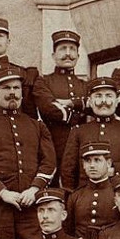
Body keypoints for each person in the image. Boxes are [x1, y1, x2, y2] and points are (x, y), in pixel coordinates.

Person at [0, 69, 58, 239]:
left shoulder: (37, 126)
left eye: (16, 88)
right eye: (6, 88)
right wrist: (3, 193)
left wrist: (34, 189)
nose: (12, 93)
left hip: (31, 205)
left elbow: (50, 163)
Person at [60, 78, 120, 190]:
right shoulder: (79, 131)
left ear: (117, 101)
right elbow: (68, 169)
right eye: (98, 96)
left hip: (118, 191)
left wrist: (115, 169)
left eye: (109, 96)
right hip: (85, 194)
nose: (104, 101)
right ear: (90, 101)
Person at [33, 29, 91, 165]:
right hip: (52, 146)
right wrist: (80, 112)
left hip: (81, 147)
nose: (68, 54)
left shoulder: (85, 85)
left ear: (78, 55)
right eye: (62, 49)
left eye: (72, 49)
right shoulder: (43, 81)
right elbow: (49, 107)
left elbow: (95, 104)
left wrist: (70, 102)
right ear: (53, 55)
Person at [65, 140, 120, 239]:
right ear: (83, 165)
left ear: (108, 163)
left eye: (97, 160)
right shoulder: (75, 196)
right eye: (88, 161)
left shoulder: (117, 193)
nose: (92, 165)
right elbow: (69, 231)